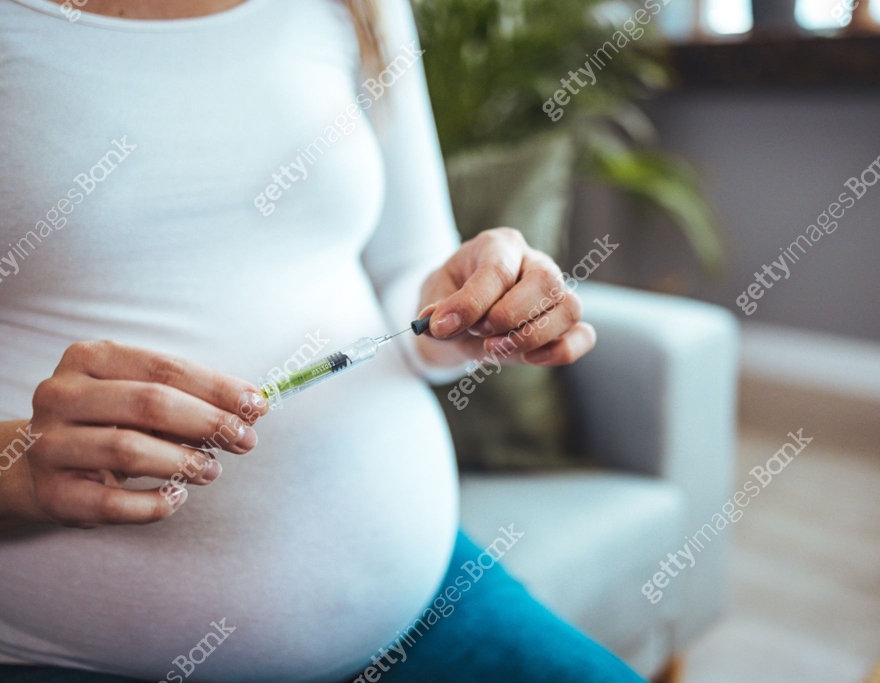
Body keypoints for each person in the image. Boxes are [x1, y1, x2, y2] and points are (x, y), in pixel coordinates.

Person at [0, 0, 646, 681]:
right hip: (73, 652)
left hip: (422, 606)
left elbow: (409, 270)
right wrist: (15, 466)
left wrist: (468, 309)